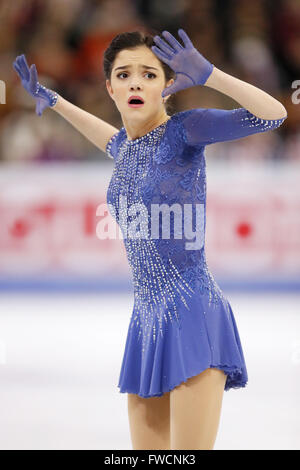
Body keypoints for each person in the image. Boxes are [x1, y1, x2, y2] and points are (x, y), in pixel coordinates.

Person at [13, 28, 287, 451]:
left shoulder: (185, 131)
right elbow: (111, 138)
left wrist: (212, 75)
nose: (135, 82)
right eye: (123, 75)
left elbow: (273, 116)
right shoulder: (126, 147)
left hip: (193, 314)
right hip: (145, 324)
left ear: (168, 84)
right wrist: (58, 103)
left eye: (148, 74)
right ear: (109, 87)